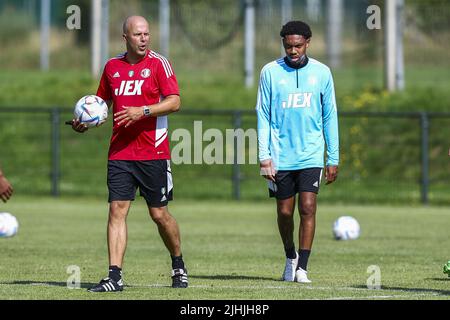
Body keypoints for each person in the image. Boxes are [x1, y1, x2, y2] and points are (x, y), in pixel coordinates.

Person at [71, 15, 188, 291]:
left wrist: (143, 111)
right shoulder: (112, 67)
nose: (144, 38)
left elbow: (175, 102)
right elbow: (101, 104)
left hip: (153, 152)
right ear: (126, 37)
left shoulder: (159, 64)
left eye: (147, 33)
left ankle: (178, 264)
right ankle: (114, 276)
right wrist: (85, 123)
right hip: (120, 153)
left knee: (159, 215)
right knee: (116, 210)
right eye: (138, 34)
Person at [256, 21, 339, 283]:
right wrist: (264, 155)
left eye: (298, 46)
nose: (293, 51)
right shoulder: (270, 72)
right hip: (280, 156)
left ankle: (302, 267)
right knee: (283, 212)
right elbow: (263, 115)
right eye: (288, 46)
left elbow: (330, 116)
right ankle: (290, 256)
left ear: (308, 43)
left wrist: (333, 156)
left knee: (308, 206)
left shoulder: (322, 73)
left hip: (311, 154)